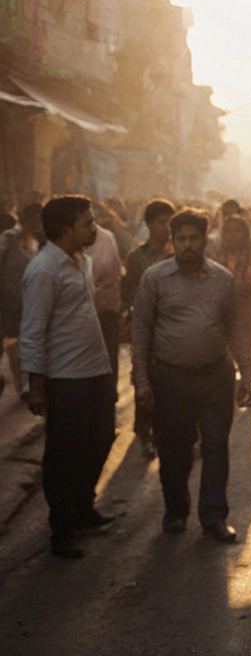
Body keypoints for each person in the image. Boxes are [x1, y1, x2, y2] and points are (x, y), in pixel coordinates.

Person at [131, 210, 251, 542]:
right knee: (174, 449)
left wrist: (246, 374)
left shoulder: (222, 279)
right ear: (173, 240)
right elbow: (140, 332)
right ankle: (175, 510)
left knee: (216, 446)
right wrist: (142, 381)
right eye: (181, 238)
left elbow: (236, 329)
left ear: (204, 239)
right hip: (170, 378)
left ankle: (214, 516)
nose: (187, 245)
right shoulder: (155, 279)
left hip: (215, 376)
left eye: (193, 238)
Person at [20, 196, 117, 559]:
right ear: (66, 230)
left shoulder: (80, 262)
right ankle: (62, 528)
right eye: (87, 223)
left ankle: (82, 508)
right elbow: (32, 331)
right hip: (66, 377)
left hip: (95, 370)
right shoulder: (44, 270)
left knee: (101, 437)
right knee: (65, 453)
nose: (94, 228)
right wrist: (36, 386)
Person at [122, 199, 176, 458]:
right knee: (143, 379)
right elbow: (128, 291)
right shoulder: (136, 257)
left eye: (169, 222)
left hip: (174, 330)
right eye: (160, 222)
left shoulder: (180, 254)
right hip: (146, 330)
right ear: (149, 224)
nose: (165, 228)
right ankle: (144, 433)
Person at [211, 216, 251, 378]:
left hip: (248, 310)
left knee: (247, 350)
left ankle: (247, 382)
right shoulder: (217, 255)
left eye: (237, 231)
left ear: (245, 233)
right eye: (228, 231)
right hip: (223, 312)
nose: (233, 235)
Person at [0, 203, 45, 393]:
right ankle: (22, 388)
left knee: (29, 347)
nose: (36, 224)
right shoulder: (8, 239)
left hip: (31, 305)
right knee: (13, 346)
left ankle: (28, 387)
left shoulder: (42, 242)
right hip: (8, 306)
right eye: (33, 220)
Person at [85, 218, 123, 381]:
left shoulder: (106, 238)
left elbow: (115, 272)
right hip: (82, 315)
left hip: (105, 310)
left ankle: (109, 394)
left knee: (108, 354)